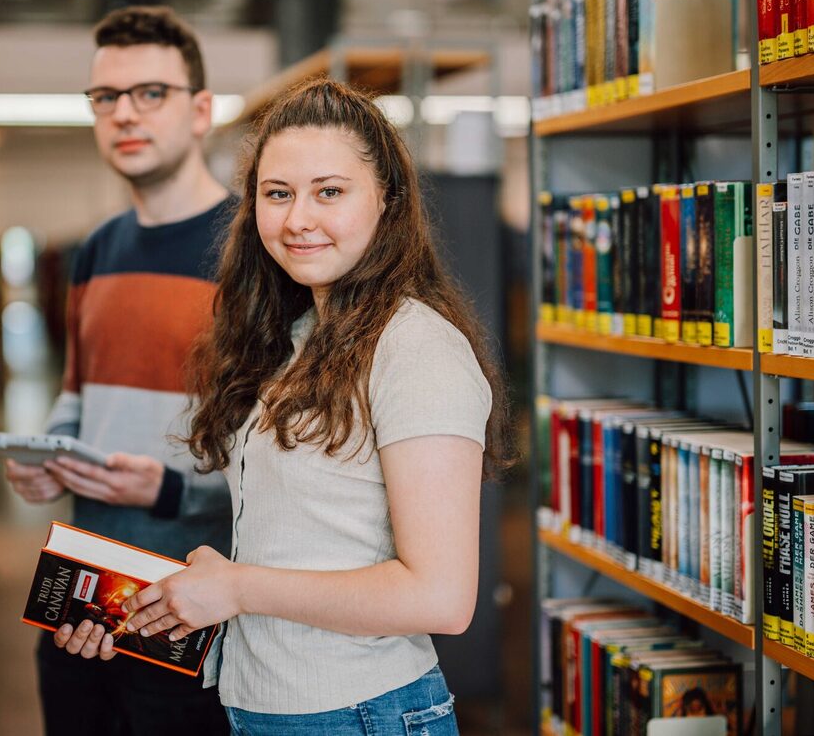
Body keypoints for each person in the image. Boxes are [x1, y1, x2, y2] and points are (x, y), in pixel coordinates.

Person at [54, 78, 512, 735]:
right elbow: (299, 544)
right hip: (265, 707)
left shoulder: (416, 350)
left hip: (362, 714)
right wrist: (145, 609)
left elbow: (440, 596)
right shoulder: (299, 339)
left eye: (330, 191)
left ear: (387, 199)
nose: (298, 218)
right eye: (278, 194)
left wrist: (238, 587)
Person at [3, 5, 233, 736]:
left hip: (190, 605)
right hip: (83, 598)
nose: (124, 114)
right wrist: (45, 456)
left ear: (200, 110)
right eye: (106, 98)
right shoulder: (96, 248)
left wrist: (170, 487)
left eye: (150, 94)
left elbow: (288, 460)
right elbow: (77, 394)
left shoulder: (255, 258)